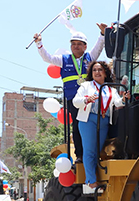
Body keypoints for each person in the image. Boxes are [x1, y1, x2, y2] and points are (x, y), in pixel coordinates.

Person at [33, 23, 107, 162]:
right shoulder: (63, 59)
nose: (76, 46)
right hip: (73, 100)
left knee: (93, 124)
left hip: (90, 99)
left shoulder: (90, 58)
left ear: (85, 46)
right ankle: (80, 155)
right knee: (78, 126)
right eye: (73, 44)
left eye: (80, 44)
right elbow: (46, 58)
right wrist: (39, 43)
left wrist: (102, 34)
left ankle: (97, 152)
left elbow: (99, 46)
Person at [72, 61, 127, 194]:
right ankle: (91, 181)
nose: (97, 72)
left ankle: (94, 178)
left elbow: (117, 103)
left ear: (105, 72)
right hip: (89, 119)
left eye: (100, 70)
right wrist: (86, 100)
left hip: (103, 120)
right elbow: (75, 102)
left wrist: (124, 99)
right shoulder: (86, 86)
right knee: (89, 150)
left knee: (97, 151)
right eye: (94, 70)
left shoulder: (110, 89)